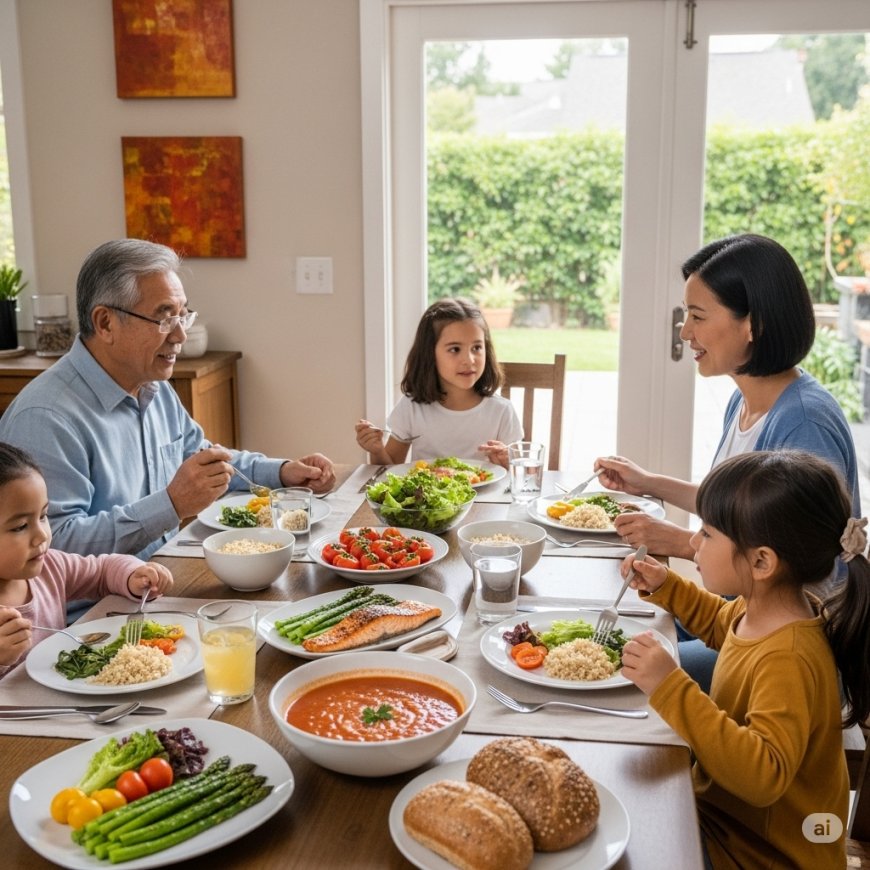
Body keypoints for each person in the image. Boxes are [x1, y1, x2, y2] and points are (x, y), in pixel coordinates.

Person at [593, 234, 860, 688]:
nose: (684, 332)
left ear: (751, 325)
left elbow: (800, 567)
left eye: (697, 316)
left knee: (625, 674)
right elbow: (744, 509)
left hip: (787, 657)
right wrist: (649, 483)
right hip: (744, 617)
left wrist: (682, 543)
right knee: (614, 632)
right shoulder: (746, 402)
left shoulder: (802, 424)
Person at [0, 239, 336, 561]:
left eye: (182, 315)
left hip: (158, 577)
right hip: (90, 613)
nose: (180, 335)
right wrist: (171, 504)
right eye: (164, 318)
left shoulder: (153, 386)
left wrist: (281, 473)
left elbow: (205, 460)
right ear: (105, 323)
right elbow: (55, 548)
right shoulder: (45, 417)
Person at [620, 450, 869, 870]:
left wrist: (671, 685)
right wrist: (669, 585)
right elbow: (722, 625)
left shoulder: (789, 657)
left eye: (707, 534)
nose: (694, 543)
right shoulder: (763, 609)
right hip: (732, 819)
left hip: (759, 853)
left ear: (761, 561)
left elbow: (762, 776)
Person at [0, 443, 173, 675]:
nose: (42, 534)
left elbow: (101, 571)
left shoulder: (50, 567)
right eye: (21, 526)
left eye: (43, 516)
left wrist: (133, 575)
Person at [355, 297, 523, 467]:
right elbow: (386, 470)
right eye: (455, 349)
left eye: (477, 348)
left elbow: (525, 477)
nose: (469, 359)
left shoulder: (502, 412)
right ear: (430, 354)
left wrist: (508, 463)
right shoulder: (412, 408)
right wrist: (376, 450)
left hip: (486, 494)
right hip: (425, 494)